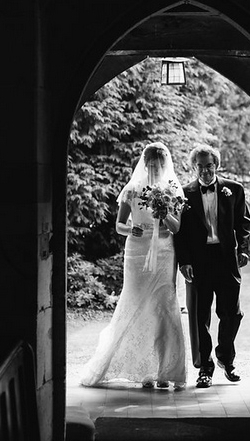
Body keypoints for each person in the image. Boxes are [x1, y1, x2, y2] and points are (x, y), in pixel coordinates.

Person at [79, 142, 187, 390]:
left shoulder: (173, 190)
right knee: (137, 304)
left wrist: (163, 214)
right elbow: (119, 225)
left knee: (164, 307)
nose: (154, 169)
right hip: (137, 252)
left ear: (165, 165)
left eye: (158, 165)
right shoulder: (131, 190)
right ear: (144, 163)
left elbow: (176, 227)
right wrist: (132, 229)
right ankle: (144, 372)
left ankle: (166, 371)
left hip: (164, 252)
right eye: (150, 164)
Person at [174, 143, 250, 388]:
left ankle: (225, 358)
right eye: (200, 167)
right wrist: (184, 261)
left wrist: (244, 249)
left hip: (226, 259)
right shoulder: (184, 193)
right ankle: (205, 368)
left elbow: (245, 224)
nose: (205, 171)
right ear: (194, 167)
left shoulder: (234, 190)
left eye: (209, 166)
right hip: (199, 261)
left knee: (232, 313)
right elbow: (181, 233)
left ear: (216, 165)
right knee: (201, 317)